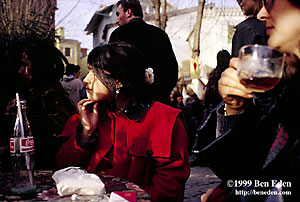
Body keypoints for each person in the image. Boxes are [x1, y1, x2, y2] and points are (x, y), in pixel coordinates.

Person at [56, 42, 190, 202]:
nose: (86, 80)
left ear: (119, 80)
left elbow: (169, 188)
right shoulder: (85, 116)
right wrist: (85, 135)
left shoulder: (165, 120)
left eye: (94, 72)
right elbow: (63, 170)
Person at [199, 0, 300, 201]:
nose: (262, 14)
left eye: (271, 2)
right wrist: (234, 109)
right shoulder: (288, 92)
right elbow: (245, 175)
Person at [4, 43, 77, 170]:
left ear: (40, 67)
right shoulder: (37, 93)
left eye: (25, 65)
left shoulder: (52, 96)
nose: (20, 71)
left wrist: (19, 116)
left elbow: (52, 141)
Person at [109, 0, 178, 105]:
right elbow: (172, 71)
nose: (117, 20)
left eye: (118, 14)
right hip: (160, 104)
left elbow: (113, 71)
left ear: (128, 12)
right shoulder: (160, 34)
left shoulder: (118, 35)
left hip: (132, 106)